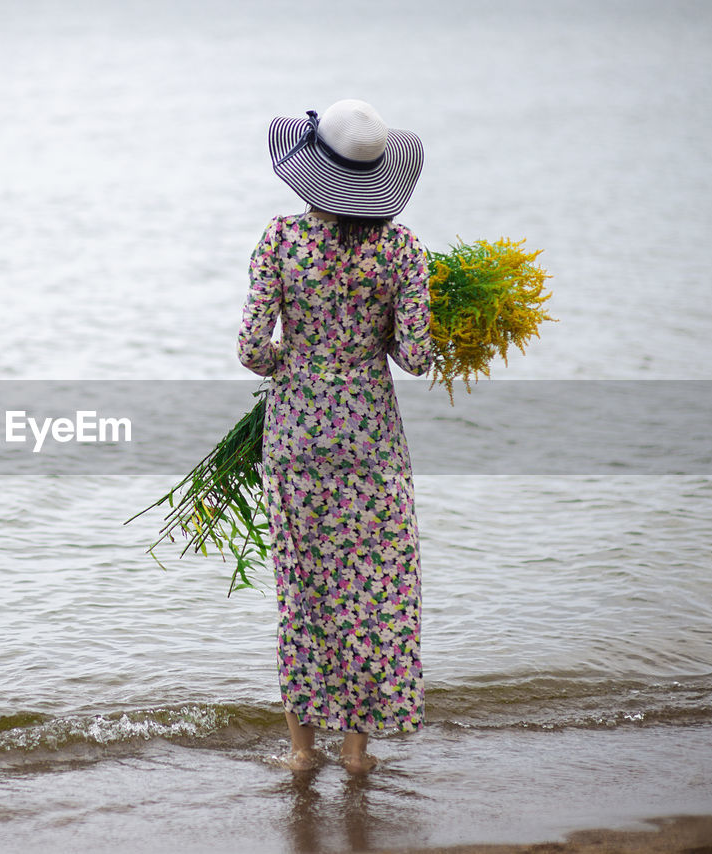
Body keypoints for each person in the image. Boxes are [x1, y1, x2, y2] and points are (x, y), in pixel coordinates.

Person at [237, 99, 435, 774]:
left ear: (313, 164)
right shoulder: (404, 249)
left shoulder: (280, 240)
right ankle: (355, 749)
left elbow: (250, 349)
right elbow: (413, 357)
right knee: (374, 585)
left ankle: (300, 751)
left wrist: (292, 364)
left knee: (304, 587)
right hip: (371, 437)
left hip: (295, 433)